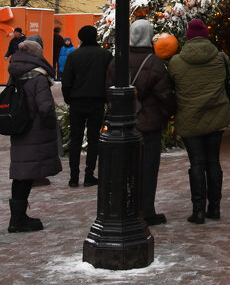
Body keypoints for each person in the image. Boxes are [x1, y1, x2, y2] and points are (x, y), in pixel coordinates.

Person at [106, 19, 175, 225]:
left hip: (122, 124)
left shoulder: (117, 60)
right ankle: (146, 210)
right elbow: (165, 95)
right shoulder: (154, 63)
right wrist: (169, 113)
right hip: (149, 124)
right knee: (148, 169)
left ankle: (124, 208)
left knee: (123, 169)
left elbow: (108, 89)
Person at [168, 19, 230, 224]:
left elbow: (172, 88)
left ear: (188, 37)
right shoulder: (221, 59)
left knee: (196, 163)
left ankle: (198, 211)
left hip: (189, 118)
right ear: (207, 36)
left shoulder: (176, 62)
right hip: (216, 117)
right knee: (213, 161)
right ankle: (215, 208)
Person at [7, 38, 61, 232]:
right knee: (25, 175)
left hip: (19, 128)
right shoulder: (38, 77)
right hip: (35, 130)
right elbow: (45, 107)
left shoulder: (16, 72)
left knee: (21, 174)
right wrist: (50, 126)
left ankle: (18, 217)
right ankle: (18, 220)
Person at [61, 25, 112, 187]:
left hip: (77, 101)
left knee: (75, 140)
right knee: (93, 139)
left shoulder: (74, 56)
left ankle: (73, 177)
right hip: (96, 100)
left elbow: (66, 81)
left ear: (81, 38)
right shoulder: (105, 55)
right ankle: (89, 175)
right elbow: (110, 79)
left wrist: (68, 98)